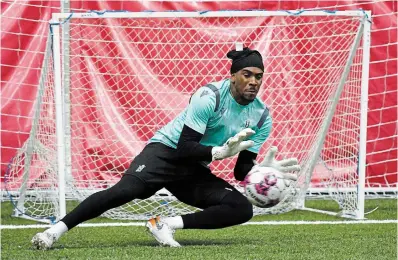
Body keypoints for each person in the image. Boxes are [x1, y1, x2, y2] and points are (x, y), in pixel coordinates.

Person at [31, 46, 300, 249]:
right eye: (247, 75)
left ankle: (164, 224)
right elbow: (184, 147)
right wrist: (217, 153)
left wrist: (261, 171)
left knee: (241, 209)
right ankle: (55, 231)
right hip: (166, 151)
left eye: (259, 76)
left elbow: (242, 172)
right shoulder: (209, 97)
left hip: (193, 168)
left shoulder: (262, 116)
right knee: (126, 191)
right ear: (232, 76)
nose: (254, 81)